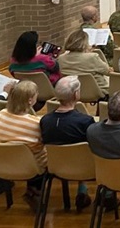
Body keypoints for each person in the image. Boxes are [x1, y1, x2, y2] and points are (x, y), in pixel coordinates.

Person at [39, 76, 97, 211]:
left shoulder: (45, 121)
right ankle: (106, 196)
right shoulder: (85, 121)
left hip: (56, 167)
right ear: (76, 94)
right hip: (86, 167)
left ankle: (83, 190)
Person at [0, 80, 47, 210]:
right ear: (30, 100)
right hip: (31, 167)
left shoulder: (1, 115)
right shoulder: (36, 123)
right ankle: (34, 190)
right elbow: (40, 145)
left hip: (4, 164)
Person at [57, 29, 111, 96]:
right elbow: (107, 71)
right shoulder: (92, 57)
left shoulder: (61, 58)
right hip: (97, 91)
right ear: (85, 43)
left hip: (72, 91)